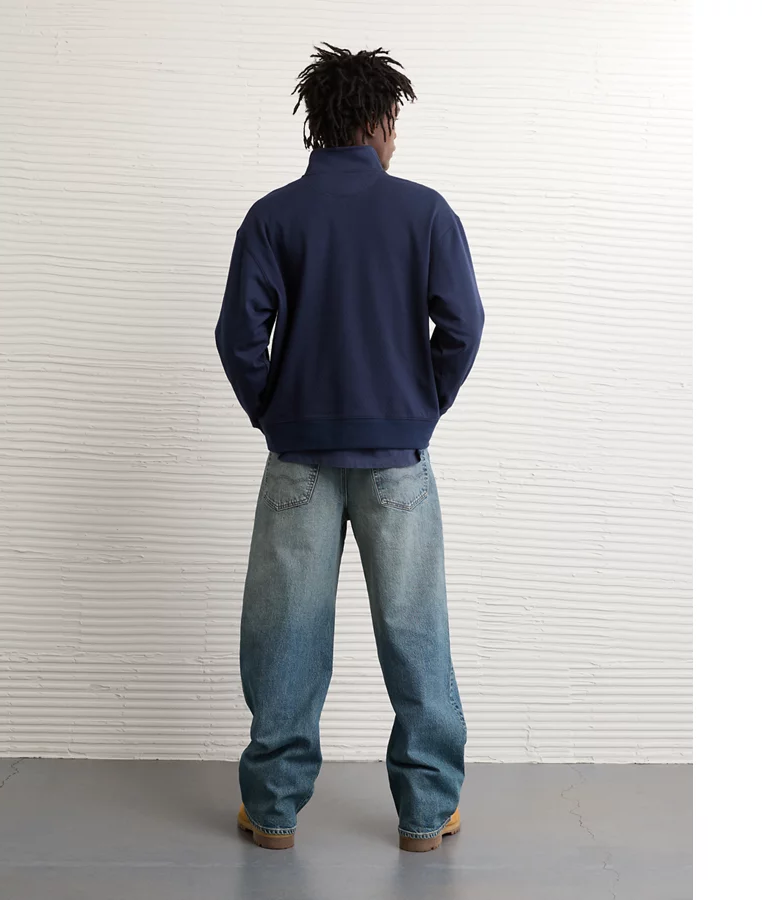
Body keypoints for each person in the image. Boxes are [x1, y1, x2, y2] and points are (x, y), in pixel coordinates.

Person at [214, 43, 484, 852]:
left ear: (317, 123)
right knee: (415, 631)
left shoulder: (273, 217)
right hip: (398, 460)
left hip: (298, 456)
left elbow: (238, 337)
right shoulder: (425, 212)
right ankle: (426, 813)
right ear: (383, 121)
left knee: (286, 635)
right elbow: (463, 326)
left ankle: (272, 809)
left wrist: (275, 412)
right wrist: (420, 408)